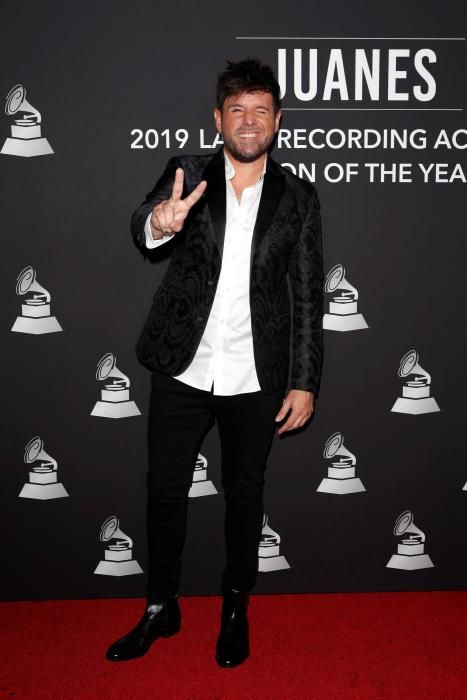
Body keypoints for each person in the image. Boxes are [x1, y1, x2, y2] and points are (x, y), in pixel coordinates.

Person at [106, 57, 324, 667]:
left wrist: (304, 381)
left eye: (261, 110)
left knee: (246, 493)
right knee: (164, 491)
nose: (249, 121)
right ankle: (160, 606)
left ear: (277, 121)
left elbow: (309, 294)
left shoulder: (299, 197)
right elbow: (141, 222)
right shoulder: (187, 172)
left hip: (256, 373)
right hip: (183, 364)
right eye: (237, 110)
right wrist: (159, 220)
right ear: (218, 119)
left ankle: (235, 604)